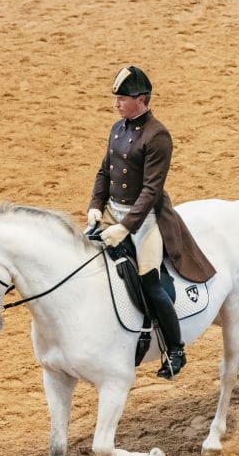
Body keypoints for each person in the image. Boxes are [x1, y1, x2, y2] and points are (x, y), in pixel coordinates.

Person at [86, 66, 216, 378]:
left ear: (141, 99)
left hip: (145, 219)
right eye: (116, 98)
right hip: (112, 212)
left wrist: (124, 227)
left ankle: (175, 349)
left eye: (122, 98)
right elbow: (105, 172)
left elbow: (151, 190)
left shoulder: (157, 136)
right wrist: (94, 206)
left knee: (150, 281)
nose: (116, 103)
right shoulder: (118, 129)